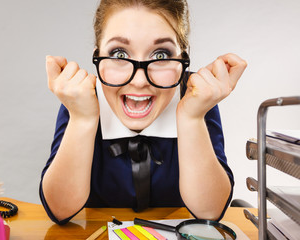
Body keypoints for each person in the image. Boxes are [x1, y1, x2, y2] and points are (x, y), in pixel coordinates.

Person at [40, 0, 247, 225]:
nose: (139, 81)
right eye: (119, 55)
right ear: (98, 58)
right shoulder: (81, 99)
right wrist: (82, 118)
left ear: (182, 61)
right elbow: (59, 210)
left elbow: (210, 212)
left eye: (160, 55)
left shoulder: (196, 96)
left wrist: (192, 117)